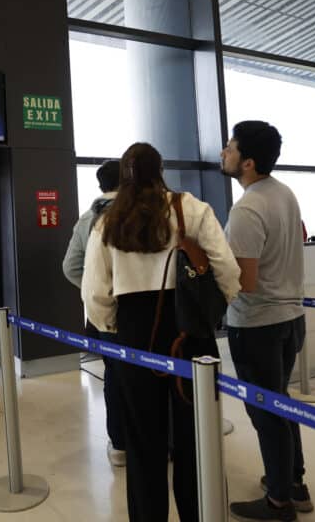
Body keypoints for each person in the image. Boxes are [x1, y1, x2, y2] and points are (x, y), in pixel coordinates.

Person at [82, 143, 240, 522]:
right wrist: (213, 311)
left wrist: (113, 328)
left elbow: (94, 292)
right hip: (190, 335)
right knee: (195, 437)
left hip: (135, 338)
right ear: (161, 170)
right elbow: (228, 272)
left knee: (143, 440)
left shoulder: (108, 221)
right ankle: (197, 514)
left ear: (123, 176)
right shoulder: (192, 208)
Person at [220, 121, 312, 522]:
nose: (223, 153)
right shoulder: (285, 194)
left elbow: (246, 281)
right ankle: (293, 482)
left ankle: (278, 502)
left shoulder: (247, 208)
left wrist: (208, 266)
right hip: (291, 318)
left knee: (265, 412)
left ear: (248, 162)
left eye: (230, 148)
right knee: (280, 401)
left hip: (257, 324)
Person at [62, 160, 126, 466]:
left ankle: (120, 445)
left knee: (114, 376)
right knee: (153, 372)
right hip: (148, 313)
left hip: (104, 314)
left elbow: (70, 266)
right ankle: (162, 441)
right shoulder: (147, 214)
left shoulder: (88, 219)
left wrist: (94, 288)